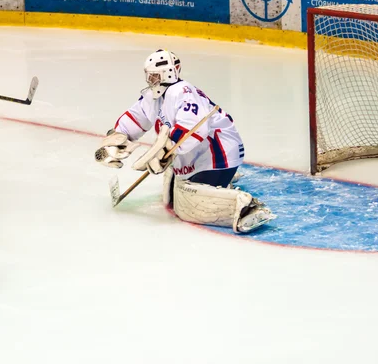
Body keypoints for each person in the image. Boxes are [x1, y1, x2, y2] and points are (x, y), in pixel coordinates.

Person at [94, 49, 275, 233]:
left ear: (171, 72)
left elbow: (195, 127)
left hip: (218, 154)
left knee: (188, 205)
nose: (152, 81)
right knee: (170, 195)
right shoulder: (152, 97)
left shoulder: (182, 91)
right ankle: (219, 184)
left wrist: (164, 152)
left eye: (156, 76)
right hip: (194, 156)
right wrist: (115, 139)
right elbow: (133, 119)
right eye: (149, 76)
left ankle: (245, 207)